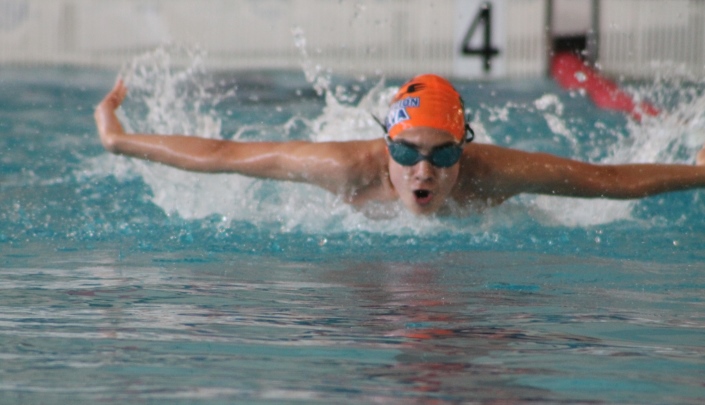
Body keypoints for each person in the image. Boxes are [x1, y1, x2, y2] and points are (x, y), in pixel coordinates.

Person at [95, 73, 705, 217]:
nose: (425, 171)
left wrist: (698, 173)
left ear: (464, 150)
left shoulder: (495, 174)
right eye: (409, 152)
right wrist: (120, 141)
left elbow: (612, 181)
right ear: (386, 145)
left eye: (443, 155)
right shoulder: (343, 168)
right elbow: (224, 156)